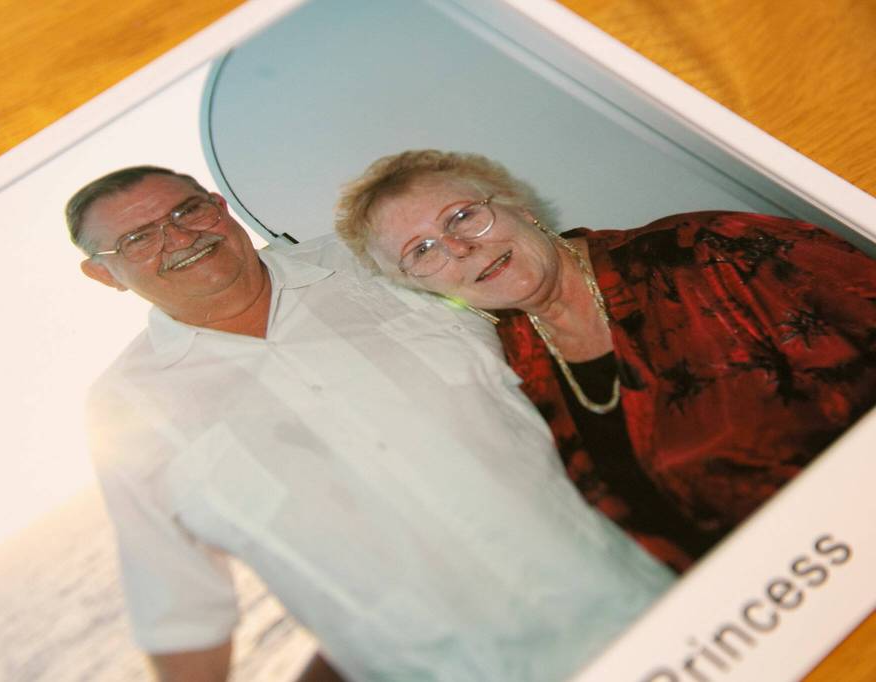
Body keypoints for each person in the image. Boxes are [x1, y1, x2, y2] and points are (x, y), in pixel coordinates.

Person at [67, 166, 674, 682]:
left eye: (189, 211)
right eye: (139, 239)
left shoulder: (374, 259)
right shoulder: (128, 410)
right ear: (103, 275)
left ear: (220, 207)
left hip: (641, 606)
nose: (179, 238)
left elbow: (563, 298)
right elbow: (183, 609)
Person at [335, 149, 876, 573]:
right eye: (422, 252)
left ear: (518, 207)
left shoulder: (708, 250)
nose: (457, 249)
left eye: (462, 217)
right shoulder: (508, 378)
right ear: (420, 287)